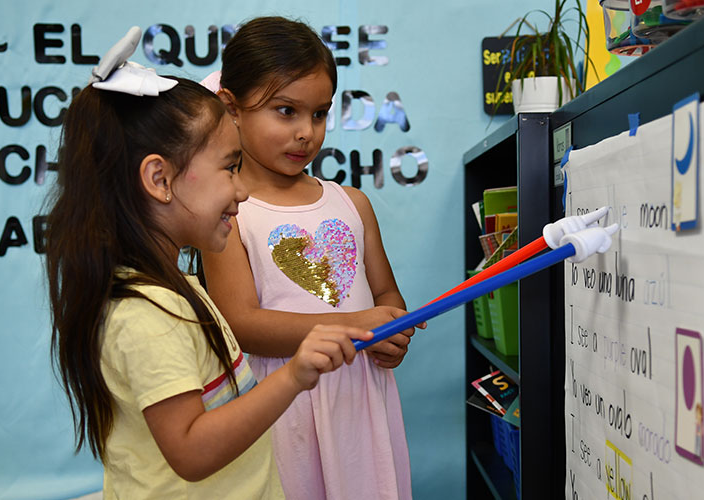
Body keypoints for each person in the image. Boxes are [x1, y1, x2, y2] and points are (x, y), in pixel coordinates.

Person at [45, 34, 373, 500]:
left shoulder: (179, 288)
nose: (240, 191)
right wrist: (294, 375)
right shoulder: (146, 314)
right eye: (229, 167)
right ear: (160, 179)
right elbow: (192, 451)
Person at [200, 16, 423, 500]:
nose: (307, 132)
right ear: (231, 108)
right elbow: (241, 323)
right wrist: (357, 324)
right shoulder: (228, 215)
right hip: (284, 405)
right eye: (286, 111)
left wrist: (392, 331)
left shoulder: (352, 203)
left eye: (319, 114)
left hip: (361, 399)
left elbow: (385, 294)